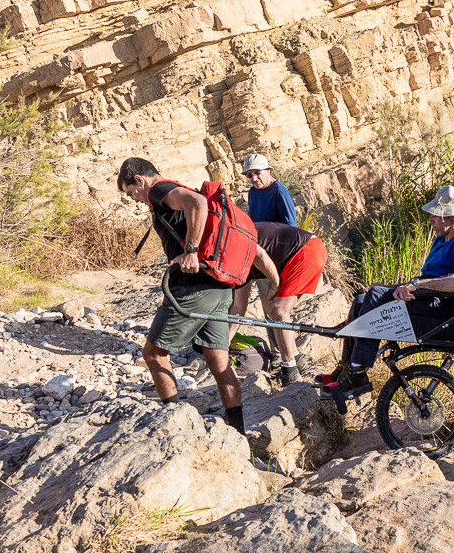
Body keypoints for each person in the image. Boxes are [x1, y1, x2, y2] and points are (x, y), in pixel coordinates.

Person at [117, 157, 279, 435]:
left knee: (153, 354)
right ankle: (238, 432)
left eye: (131, 192)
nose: (134, 199)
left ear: (140, 180)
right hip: (218, 286)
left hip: (192, 287)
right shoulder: (168, 191)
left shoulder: (159, 190)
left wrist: (191, 250)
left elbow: (198, 203)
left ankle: (174, 426)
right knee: (218, 359)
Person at [321, 185, 454, 397]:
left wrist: (418, 286)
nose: (430, 220)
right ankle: (346, 369)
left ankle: (358, 373)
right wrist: (399, 287)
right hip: (426, 297)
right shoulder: (443, 238)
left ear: (451, 217)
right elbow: (429, 278)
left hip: (441, 309)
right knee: (362, 299)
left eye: (435, 214)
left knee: (375, 296)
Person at [231, 222, 328, 385]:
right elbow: (238, 309)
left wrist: (275, 285)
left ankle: (290, 372)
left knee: (279, 309)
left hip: (306, 250)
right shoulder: (236, 266)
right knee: (270, 307)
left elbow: (261, 256)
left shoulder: (234, 244)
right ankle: (297, 359)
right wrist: (223, 344)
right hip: (300, 251)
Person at [243, 153, 298, 227]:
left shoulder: (280, 192)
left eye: (257, 172)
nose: (254, 179)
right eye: (249, 175)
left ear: (268, 170)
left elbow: (290, 226)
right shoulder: (253, 191)